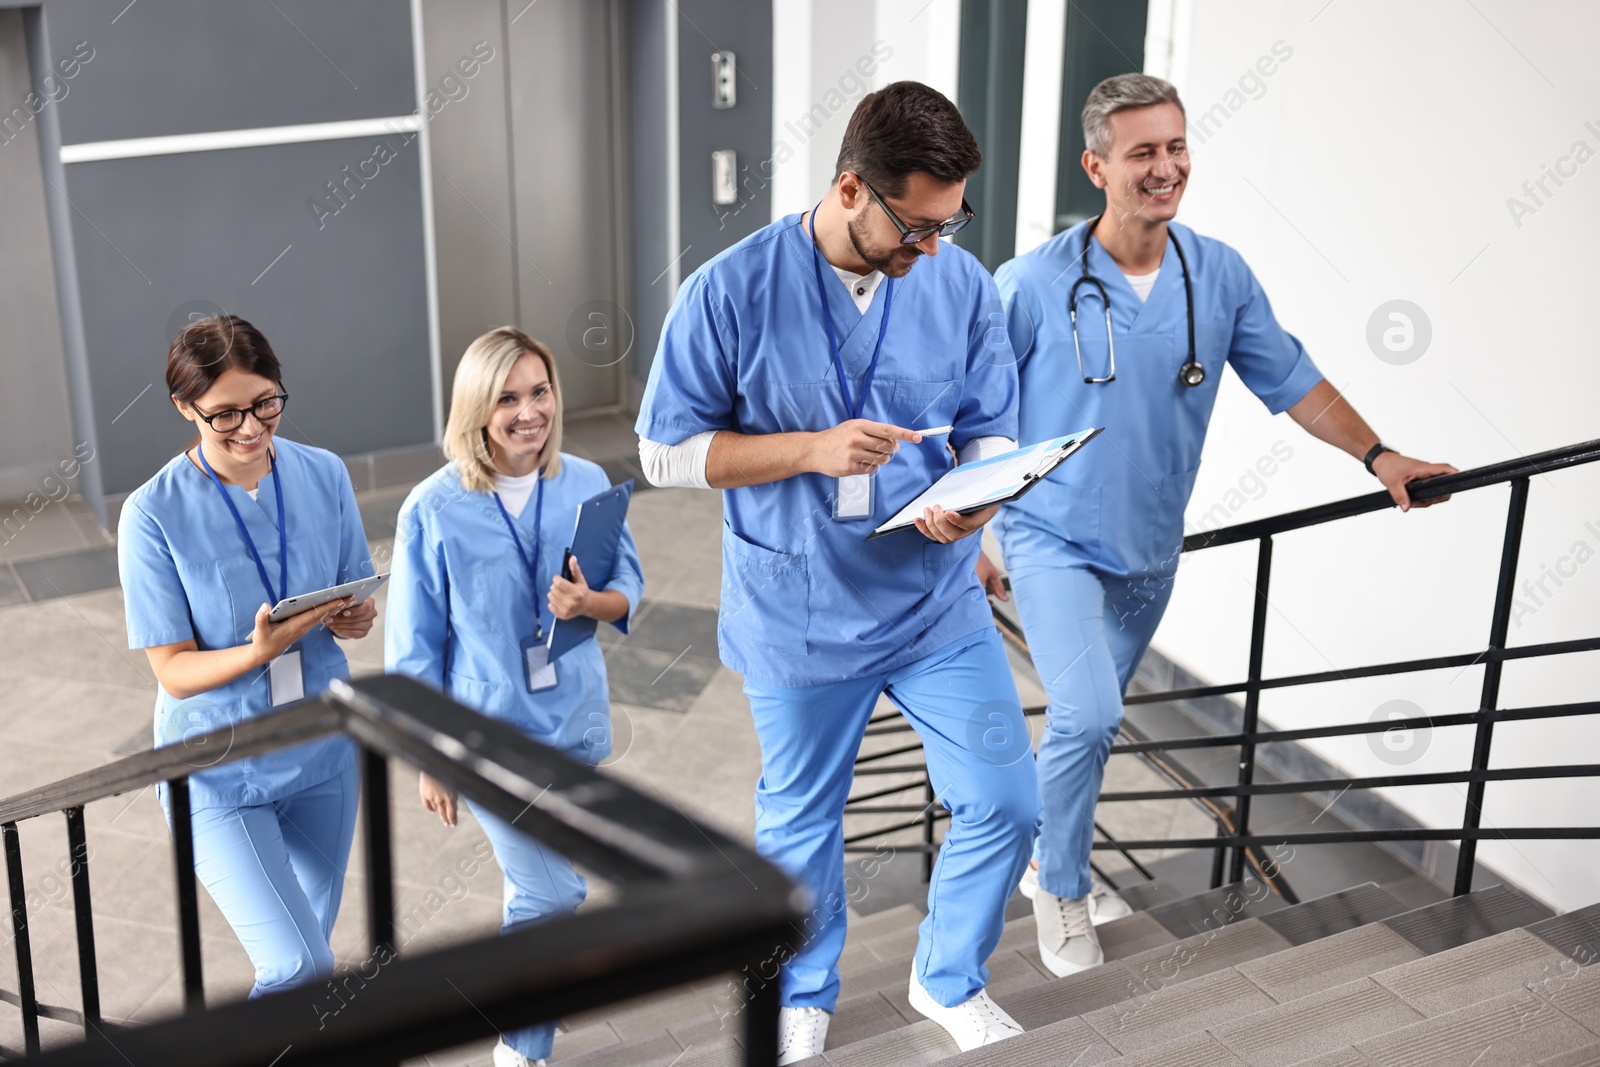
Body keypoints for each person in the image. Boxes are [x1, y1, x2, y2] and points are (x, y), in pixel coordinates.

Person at [991, 73, 1457, 977]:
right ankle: (1060, 884)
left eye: (1175, 147)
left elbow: (1296, 382)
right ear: (1097, 166)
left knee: (1088, 725)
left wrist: (1379, 455)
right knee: (1089, 715)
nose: (1165, 168)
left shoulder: (1220, 274)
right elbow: (979, 411)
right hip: (1050, 537)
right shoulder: (1034, 283)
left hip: (1148, 551)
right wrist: (975, 530)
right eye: (1142, 154)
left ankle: (1051, 847)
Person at [635, 81, 1037, 1062]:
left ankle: (946, 972)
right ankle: (805, 985)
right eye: (915, 225)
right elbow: (663, 452)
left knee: (1005, 797)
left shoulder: (956, 281)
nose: (932, 248)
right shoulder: (729, 290)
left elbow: (990, 420)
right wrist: (807, 449)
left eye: (950, 224)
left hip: (933, 601)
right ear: (851, 187)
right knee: (803, 821)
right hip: (799, 608)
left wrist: (980, 495)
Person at [386, 326, 643, 1067]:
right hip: (488, 737)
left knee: (540, 891)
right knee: (552, 896)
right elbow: (411, 652)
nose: (529, 411)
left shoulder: (587, 482)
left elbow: (626, 588)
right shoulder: (432, 509)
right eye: (507, 397)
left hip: (576, 723)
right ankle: (519, 1047)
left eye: (540, 391)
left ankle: (529, 1005)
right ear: (476, 408)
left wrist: (588, 603)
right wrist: (431, 758)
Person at [117, 314, 377, 996]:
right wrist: (256, 652)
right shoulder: (151, 514)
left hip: (322, 750)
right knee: (299, 965)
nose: (252, 428)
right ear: (185, 407)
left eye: (266, 403)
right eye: (225, 414)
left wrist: (355, 617)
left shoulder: (324, 473)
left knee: (306, 961)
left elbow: (356, 596)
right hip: (217, 768)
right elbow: (172, 670)